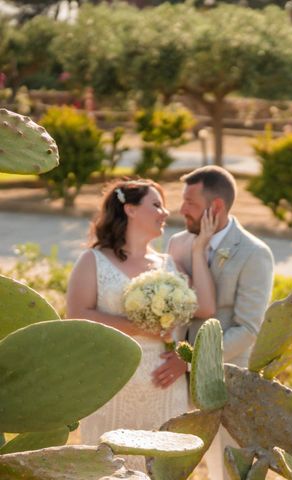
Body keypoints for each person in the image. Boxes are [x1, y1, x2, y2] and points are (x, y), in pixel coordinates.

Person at [66, 179, 217, 472]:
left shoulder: (167, 264)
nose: (165, 212)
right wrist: (135, 327)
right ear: (130, 209)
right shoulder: (94, 261)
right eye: (156, 204)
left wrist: (199, 250)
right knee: (109, 468)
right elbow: (76, 315)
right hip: (112, 381)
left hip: (163, 386)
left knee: (159, 469)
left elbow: (206, 308)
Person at [167, 166, 274, 479]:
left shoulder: (254, 253)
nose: (181, 209)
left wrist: (195, 364)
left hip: (228, 382)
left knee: (226, 470)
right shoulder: (178, 242)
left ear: (215, 208)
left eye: (190, 202)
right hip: (175, 378)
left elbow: (249, 328)